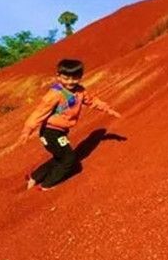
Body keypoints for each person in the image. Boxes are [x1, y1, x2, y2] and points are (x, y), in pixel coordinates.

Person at [17, 58, 121, 190]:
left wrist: (107, 109)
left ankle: (35, 177)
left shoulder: (80, 91)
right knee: (69, 159)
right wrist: (27, 131)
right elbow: (39, 113)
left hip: (60, 131)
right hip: (50, 132)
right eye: (66, 78)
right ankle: (47, 185)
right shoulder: (55, 94)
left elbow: (91, 101)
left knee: (61, 156)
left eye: (75, 78)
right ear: (58, 76)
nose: (70, 82)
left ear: (80, 77)